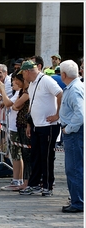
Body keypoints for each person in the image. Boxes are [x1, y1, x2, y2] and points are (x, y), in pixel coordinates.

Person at [19, 60, 63, 197]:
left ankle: (48, 186)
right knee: (35, 156)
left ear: (27, 71)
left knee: (47, 156)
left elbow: (60, 93)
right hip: (36, 125)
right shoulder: (32, 84)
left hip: (48, 126)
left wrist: (57, 114)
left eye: (23, 74)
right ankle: (34, 184)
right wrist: (29, 124)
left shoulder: (46, 80)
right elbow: (32, 105)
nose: (22, 77)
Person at [59, 60, 84, 213]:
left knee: (74, 168)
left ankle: (78, 202)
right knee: (75, 167)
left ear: (63, 74)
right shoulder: (75, 86)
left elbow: (80, 115)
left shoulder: (74, 89)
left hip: (75, 133)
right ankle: (77, 199)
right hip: (74, 132)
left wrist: (68, 129)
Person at [0, 76, 23, 191]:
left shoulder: (20, 93)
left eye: (15, 83)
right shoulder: (18, 93)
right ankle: (18, 179)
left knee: (17, 155)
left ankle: (17, 180)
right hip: (13, 127)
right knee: (15, 154)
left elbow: (8, 103)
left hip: (17, 128)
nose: (12, 85)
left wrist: (2, 89)